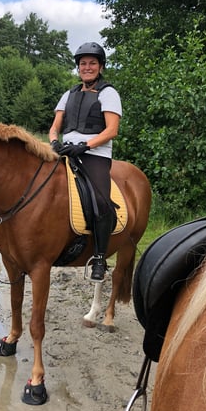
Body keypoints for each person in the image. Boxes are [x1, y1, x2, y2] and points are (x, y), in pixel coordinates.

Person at [49, 42, 122, 281]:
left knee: (101, 201)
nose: (87, 67)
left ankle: (100, 258)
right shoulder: (68, 94)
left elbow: (112, 130)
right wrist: (53, 143)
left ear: (100, 67)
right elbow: (54, 127)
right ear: (78, 67)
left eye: (92, 63)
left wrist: (86, 145)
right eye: (83, 64)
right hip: (67, 151)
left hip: (94, 155)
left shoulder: (108, 93)